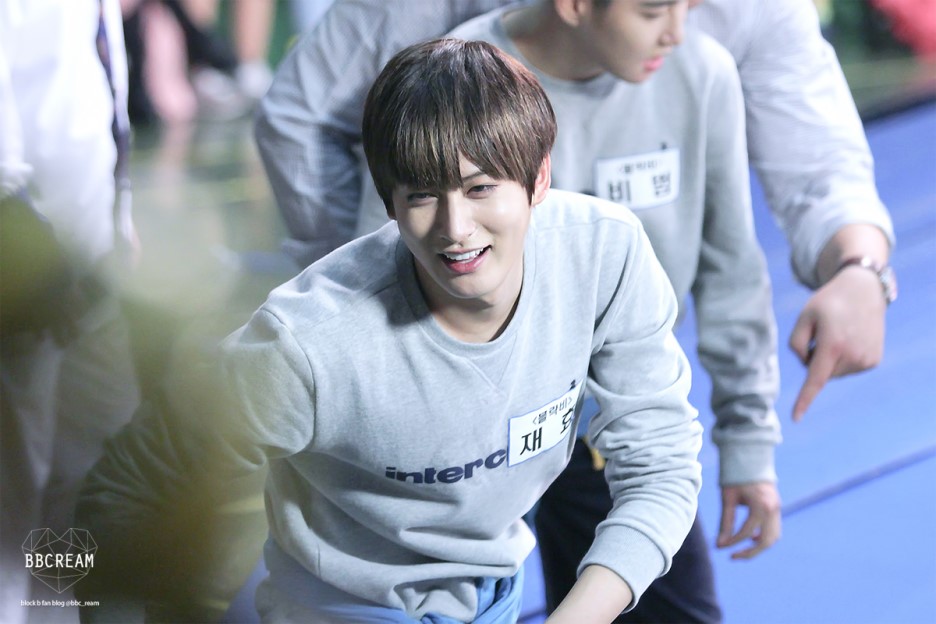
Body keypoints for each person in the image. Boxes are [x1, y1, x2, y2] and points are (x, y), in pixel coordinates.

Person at [79, 38, 703, 622]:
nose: (456, 228)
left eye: (481, 188)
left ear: (539, 178)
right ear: (389, 202)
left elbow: (662, 467)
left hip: (494, 595)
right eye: (423, 196)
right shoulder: (307, 347)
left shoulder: (603, 255)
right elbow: (126, 489)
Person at [255, 0, 896, 426]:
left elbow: (814, 158)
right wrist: (373, 313)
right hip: (444, 387)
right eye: (654, 8)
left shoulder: (715, 57)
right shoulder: (455, 33)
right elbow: (300, 117)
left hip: (600, 391)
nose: (675, 28)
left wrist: (860, 268)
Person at [443, 1, 779, 620]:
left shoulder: (701, 72)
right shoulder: (459, 79)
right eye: (653, 11)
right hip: (468, 432)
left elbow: (731, 268)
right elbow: (389, 266)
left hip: (608, 420)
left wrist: (748, 441)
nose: (676, 31)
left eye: (687, 6)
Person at [0, 1, 140, 622]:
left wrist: (121, 209)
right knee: (14, 486)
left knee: (103, 463)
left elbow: (97, 82)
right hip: (25, 266)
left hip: (93, 259)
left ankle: (67, 610)